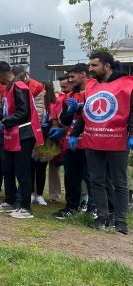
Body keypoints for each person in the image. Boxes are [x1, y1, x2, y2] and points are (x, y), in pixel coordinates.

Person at [69, 52, 131, 234]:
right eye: (90, 65)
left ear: (107, 66)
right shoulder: (92, 86)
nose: (90, 69)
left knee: (120, 182)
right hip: (93, 139)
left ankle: (120, 220)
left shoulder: (126, 85)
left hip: (117, 140)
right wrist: (75, 133)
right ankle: (102, 216)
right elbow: (86, 113)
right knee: (97, 180)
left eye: (94, 65)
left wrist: (132, 134)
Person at [0, 61, 43, 219]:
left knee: (22, 171)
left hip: (23, 135)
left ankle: (25, 208)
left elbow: (23, 112)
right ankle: (10, 201)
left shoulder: (20, 86)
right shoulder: (9, 87)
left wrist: (3, 123)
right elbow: (3, 109)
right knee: (8, 169)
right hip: (10, 134)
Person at [50, 63, 92, 219]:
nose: (71, 80)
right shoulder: (69, 96)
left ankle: (92, 208)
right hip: (71, 142)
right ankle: (71, 207)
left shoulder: (94, 92)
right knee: (71, 177)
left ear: (83, 74)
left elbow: (94, 115)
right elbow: (64, 121)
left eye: (73, 77)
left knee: (90, 177)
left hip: (89, 141)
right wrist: (69, 111)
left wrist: (80, 108)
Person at [31, 82, 57, 206]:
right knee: (31, 166)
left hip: (47, 140)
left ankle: (39, 194)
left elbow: (56, 121)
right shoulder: (34, 102)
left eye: (43, 90)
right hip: (33, 138)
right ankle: (31, 193)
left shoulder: (53, 104)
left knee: (41, 168)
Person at [47, 74, 71, 203]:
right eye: (61, 87)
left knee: (72, 170)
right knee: (54, 167)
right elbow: (53, 117)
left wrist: (62, 130)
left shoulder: (77, 98)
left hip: (71, 138)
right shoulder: (58, 99)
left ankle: (78, 198)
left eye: (65, 86)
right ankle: (54, 196)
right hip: (57, 139)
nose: (63, 90)